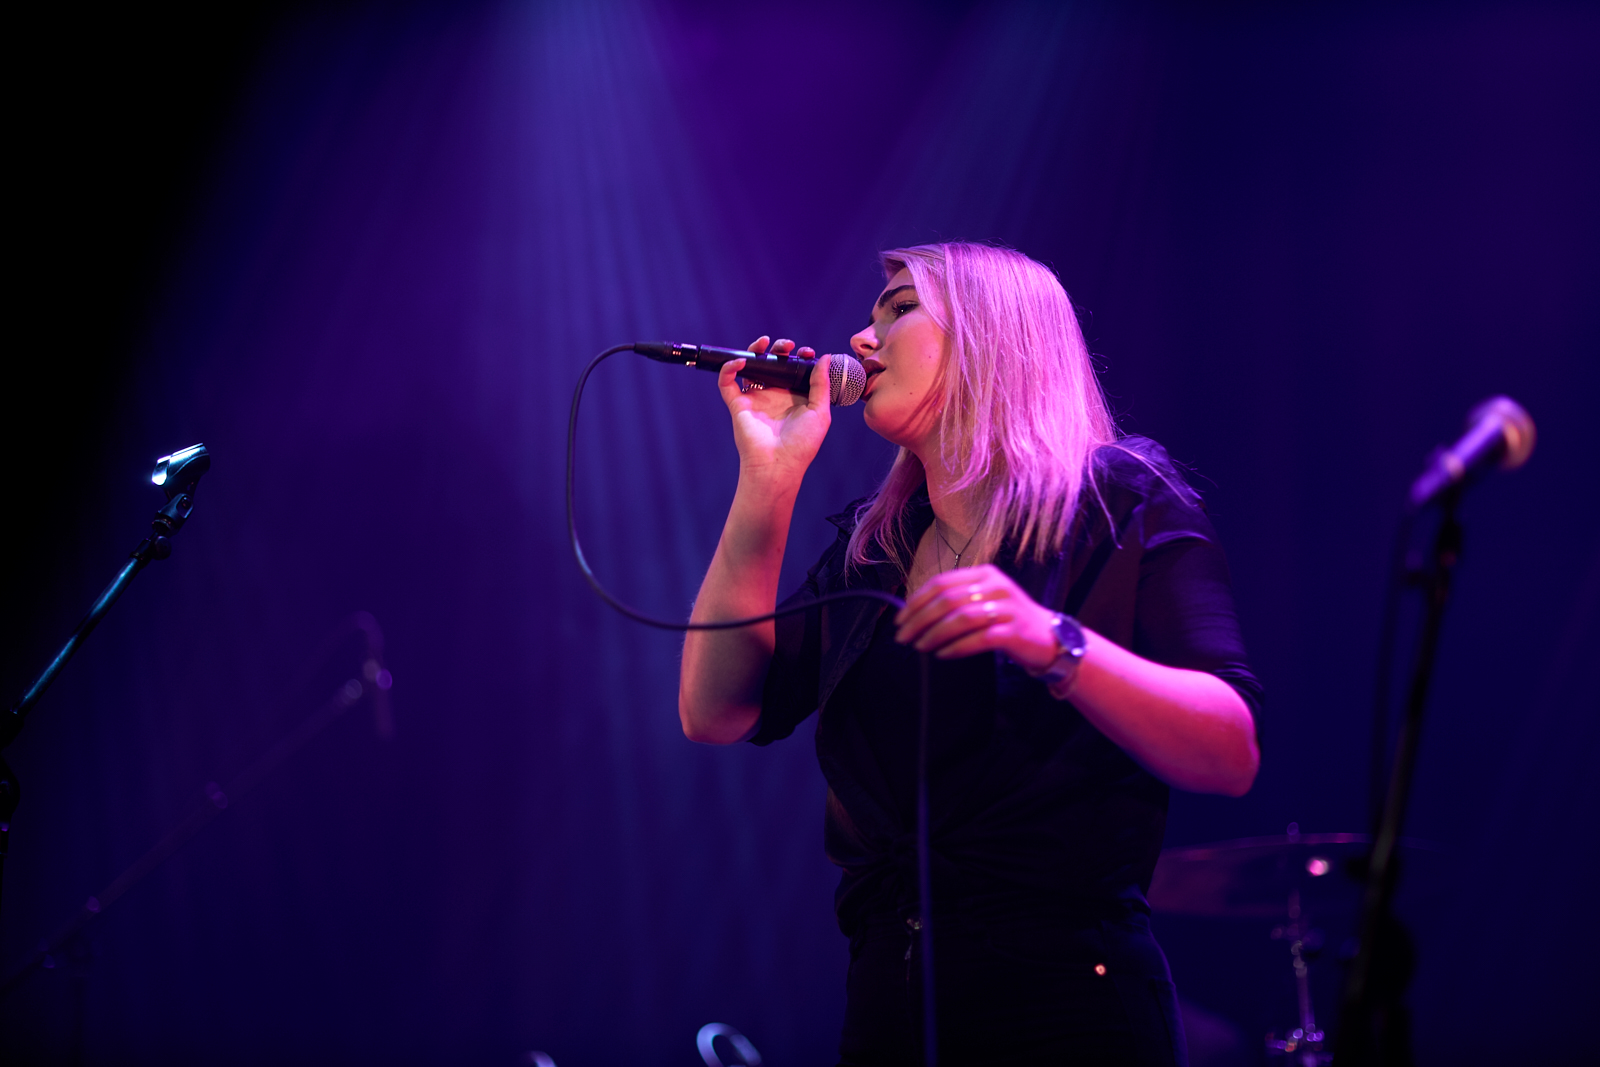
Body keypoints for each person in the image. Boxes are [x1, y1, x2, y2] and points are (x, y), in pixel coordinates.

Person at [678, 242, 1261, 1066]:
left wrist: (1052, 640)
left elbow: (1229, 748)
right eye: (872, 316)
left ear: (993, 336)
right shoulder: (875, 550)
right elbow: (716, 710)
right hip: (889, 993)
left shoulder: (1119, 500)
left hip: (1068, 999)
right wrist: (768, 476)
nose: (863, 339)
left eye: (900, 309)